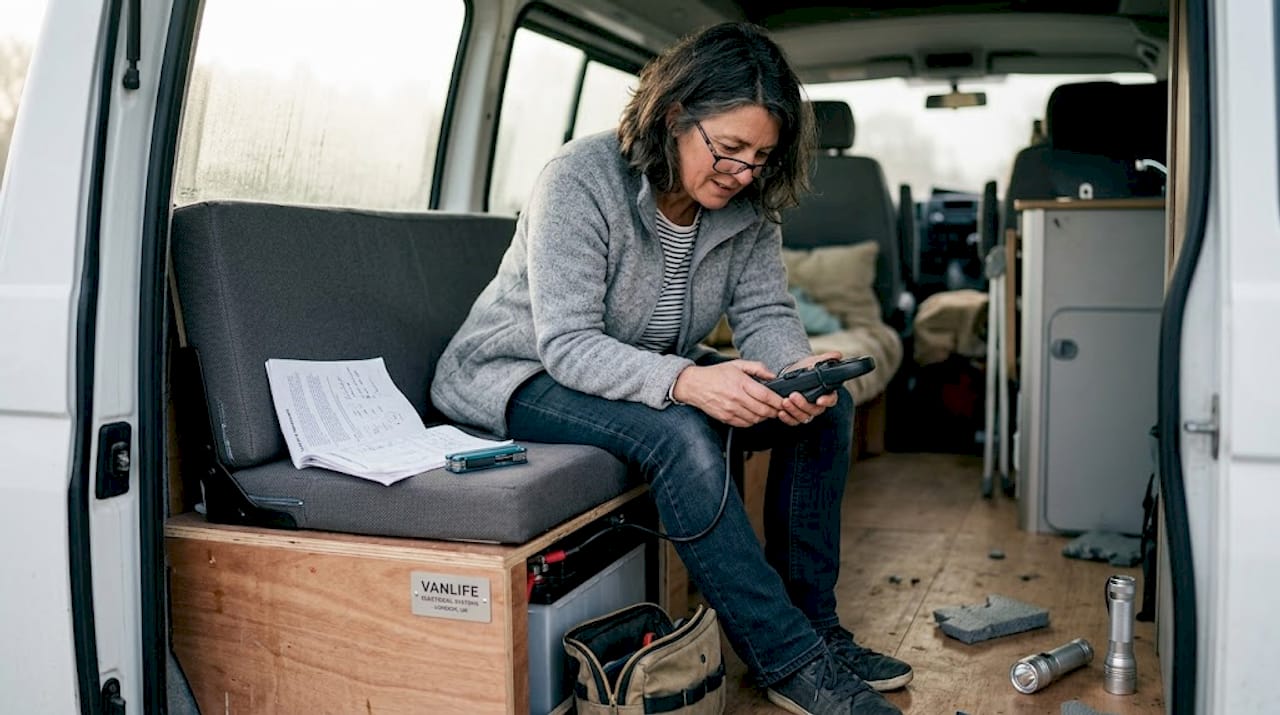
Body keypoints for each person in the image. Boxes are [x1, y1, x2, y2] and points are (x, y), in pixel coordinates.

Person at [431, 22, 911, 715]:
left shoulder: (749, 210)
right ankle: (790, 660)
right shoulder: (580, 179)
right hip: (519, 372)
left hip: (636, 367)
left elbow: (767, 314)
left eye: (761, 157)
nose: (744, 172)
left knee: (822, 412)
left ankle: (820, 632)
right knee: (680, 428)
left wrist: (796, 370)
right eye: (730, 148)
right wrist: (688, 381)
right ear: (676, 114)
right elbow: (567, 343)